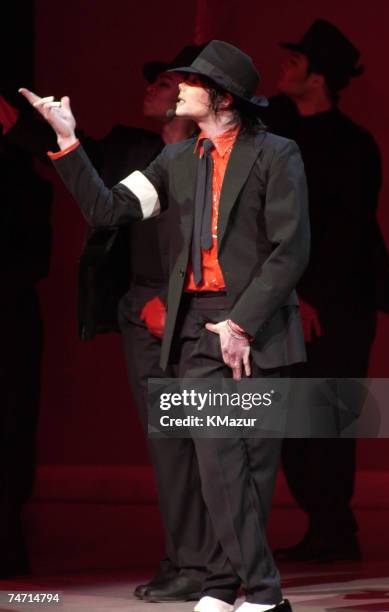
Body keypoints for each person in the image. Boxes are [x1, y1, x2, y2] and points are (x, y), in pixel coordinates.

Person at [21, 40, 310, 611]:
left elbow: (290, 248)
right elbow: (108, 210)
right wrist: (66, 139)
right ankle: (255, 593)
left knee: (247, 465)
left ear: (222, 98)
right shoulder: (176, 162)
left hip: (256, 322)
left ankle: (236, 588)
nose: (178, 88)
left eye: (191, 82)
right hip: (199, 330)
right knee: (217, 461)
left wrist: (243, 324)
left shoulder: (278, 154)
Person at [5, 45, 214, 600]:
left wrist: (179, 304)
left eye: (165, 81)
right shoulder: (140, 152)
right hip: (141, 308)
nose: (150, 87)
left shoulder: (215, 160)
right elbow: (91, 176)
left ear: (195, 97)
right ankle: (185, 558)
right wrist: (29, 127)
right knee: (168, 443)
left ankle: (205, 564)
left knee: (202, 441)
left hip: (187, 311)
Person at [262, 19, 389, 563]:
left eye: (296, 63)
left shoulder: (352, 146)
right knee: (294, 421)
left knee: (325, 418)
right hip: (297, 297)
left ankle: (334, 529)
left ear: (318, 78)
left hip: (339, 302)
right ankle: (328, 526)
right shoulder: (282, 132)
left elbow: (346, 231)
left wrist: (309, 296)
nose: (284, 69)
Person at [0, 131, 52, 578]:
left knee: (12, 426)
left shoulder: (25, 184)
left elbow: (36, 259)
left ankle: (8, 540)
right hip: (15, 313)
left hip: (10, 317)